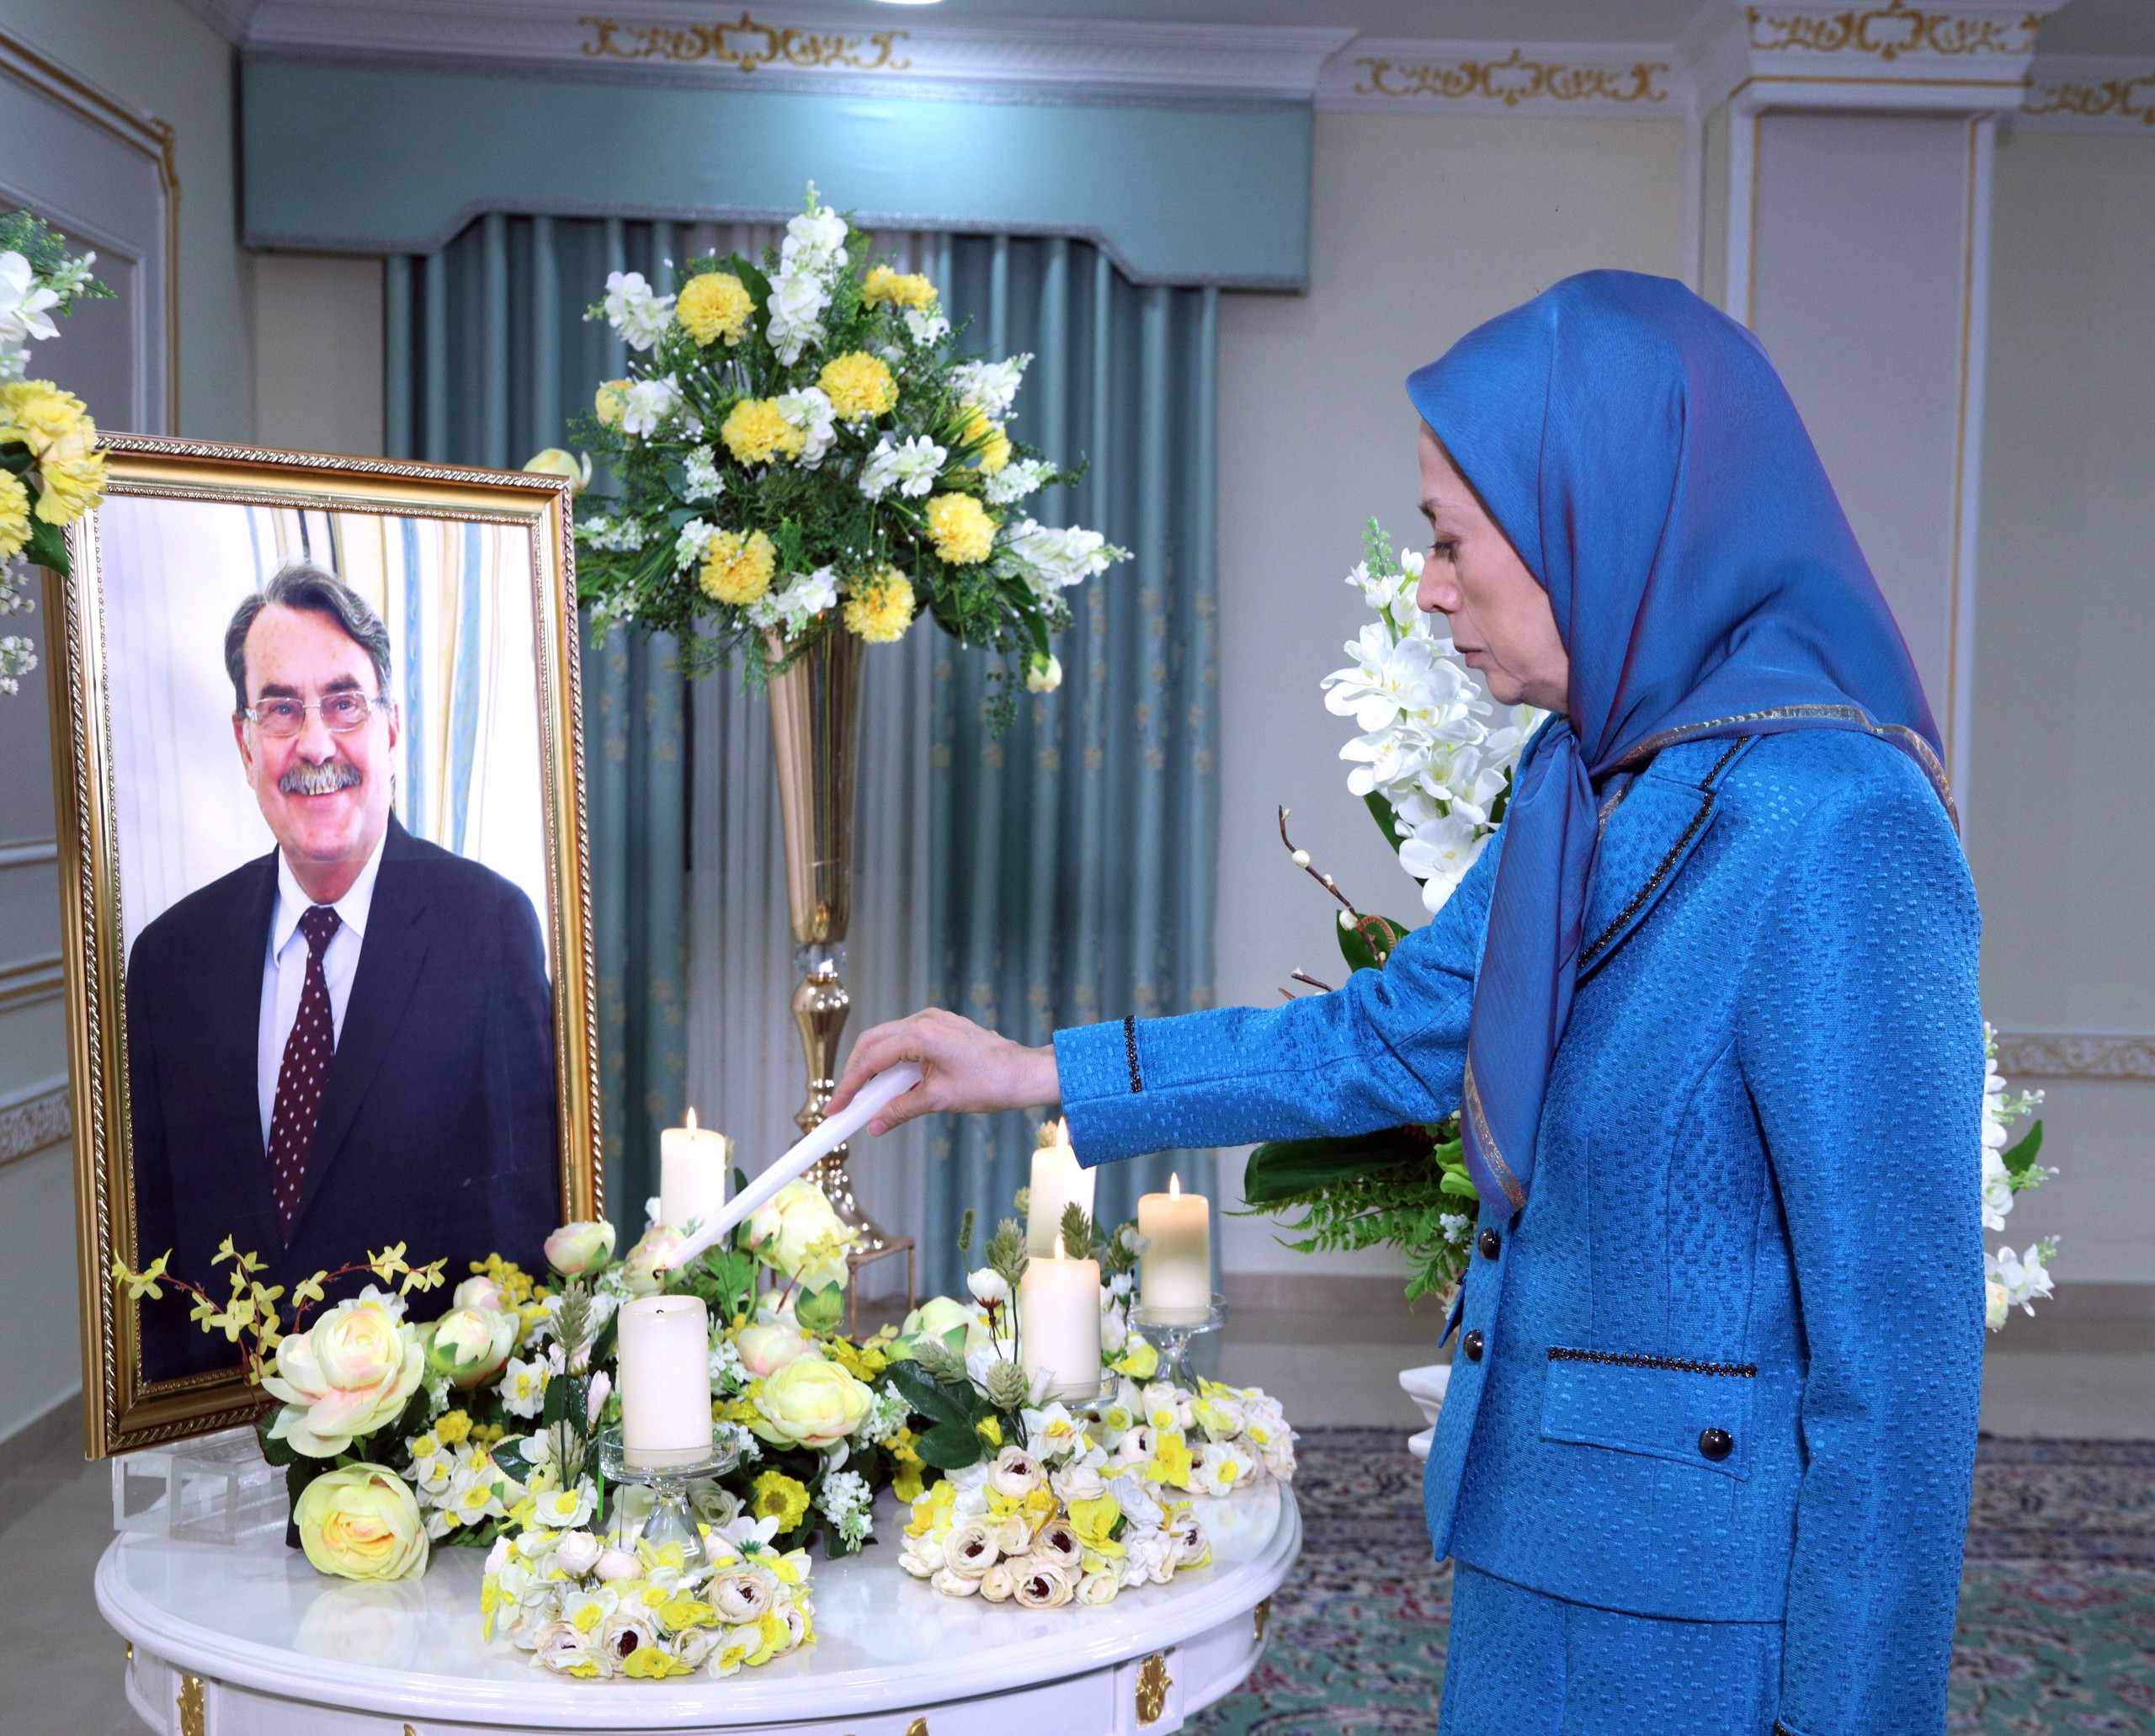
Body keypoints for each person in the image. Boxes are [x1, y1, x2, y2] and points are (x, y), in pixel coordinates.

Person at [833, 273, 1982, 1734]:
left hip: (1704, 1614)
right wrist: (1025, 1071)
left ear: (1598, 521)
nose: (1430, 587)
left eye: (1451, 542)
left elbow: (1902, 1354)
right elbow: (1380, 1035)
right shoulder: (1578, 779)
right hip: (1528, 1540)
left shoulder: (1836, 818)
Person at [127, 562, 560, 1382]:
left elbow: (523, 1231)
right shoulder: (169, 960)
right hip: (221, 1432)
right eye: (281, 708)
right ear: (244, 740)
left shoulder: (487, 929)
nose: (316, 742)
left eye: (344, 702)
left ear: (390, 728)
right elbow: (153, 1242)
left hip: (425, 1448)